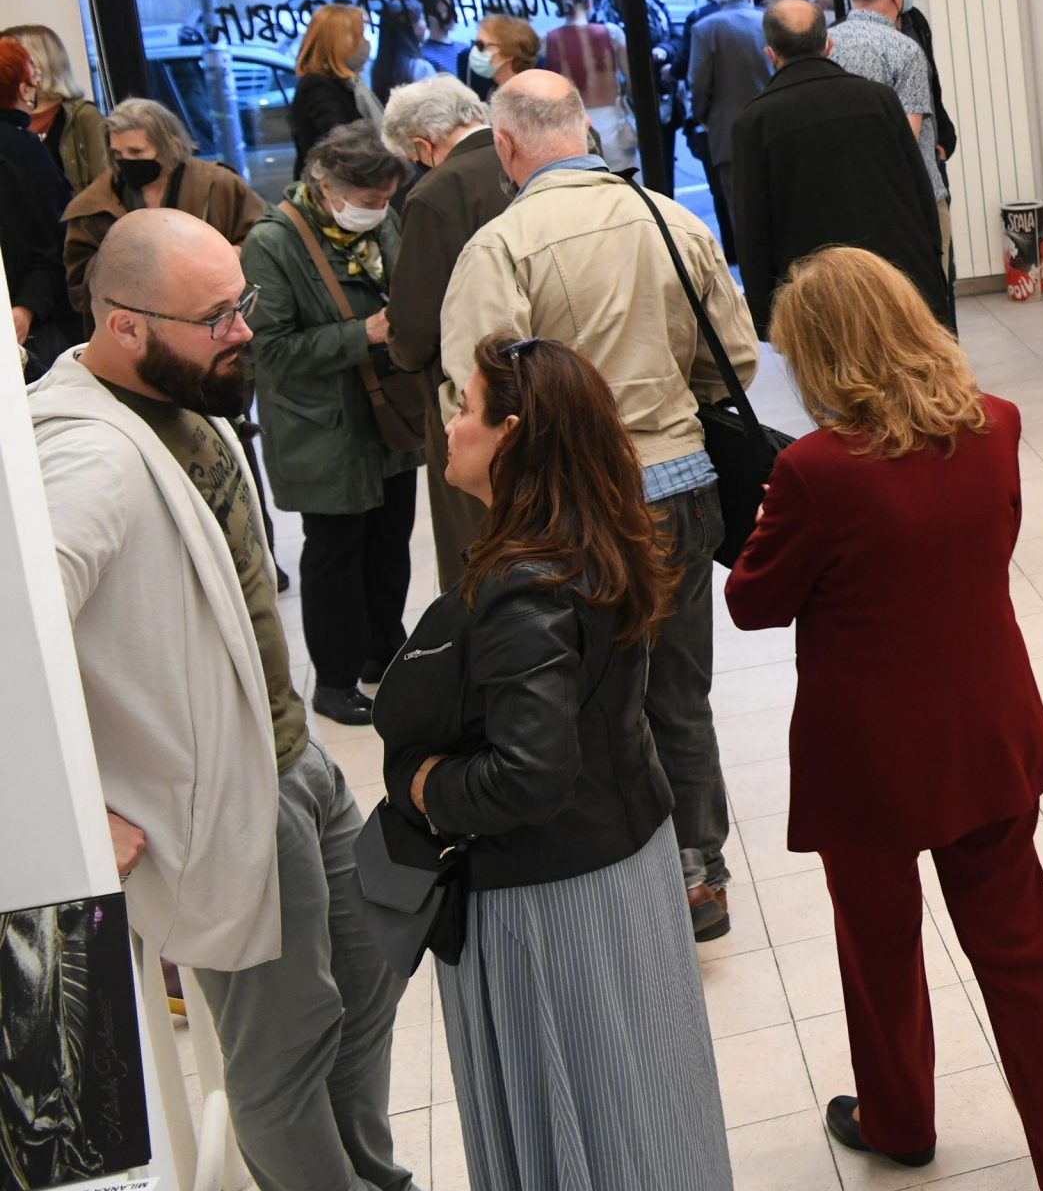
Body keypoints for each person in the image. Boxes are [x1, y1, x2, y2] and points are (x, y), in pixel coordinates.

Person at [33, 210, 481, 1191]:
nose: (245, 329)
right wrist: (74, 804)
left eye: (244, 302)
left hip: (293, 762)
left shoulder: (178, 401)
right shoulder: (81, 458)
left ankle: (381, 1189)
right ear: (127, 325)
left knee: (366, 984)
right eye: (219, 315)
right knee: (280, 1044)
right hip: (225, 793)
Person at [724, 247, 1043, 1191]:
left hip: (868, 756)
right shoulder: (996, 428)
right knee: (1020, 954)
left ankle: (900, 1120)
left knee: (880, 947)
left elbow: (754, 604)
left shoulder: (813, 473)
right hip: (987, 731)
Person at [378, 334, 737, 1191]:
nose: (451, 421)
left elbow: (527, 776)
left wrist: (421, 790)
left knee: (576, 1097)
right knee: (639, 1086)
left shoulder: (521, 587)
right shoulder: (604, 534)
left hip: (549, 894)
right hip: (628, 852)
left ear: (512, 434)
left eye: (468, 405)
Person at [440, 71, 759, 941]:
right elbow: (735, 355)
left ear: (505, 147)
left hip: (575, 512)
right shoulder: (671, 217)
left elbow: (477, 399)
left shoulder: (500, 248)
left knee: (587, 705)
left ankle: (622, 888)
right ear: (585, 129)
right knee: (680, 692)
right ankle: (702, 875)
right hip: (684, 487)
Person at [240, 124, 421, 729]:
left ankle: (383, 652)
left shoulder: (382, 221)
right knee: (335, 558)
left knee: (390, 544)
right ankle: (336, 681)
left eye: (386, 200)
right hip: (322, 428)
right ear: (326, 187)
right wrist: (363, 333)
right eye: (369, 202)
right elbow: (271, 350)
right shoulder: (272, 243)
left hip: (385, 417)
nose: (379, 212)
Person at [731, 0, 948, 331]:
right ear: (829, 45)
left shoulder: (754, 122)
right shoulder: (879, 99)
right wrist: (931, 263)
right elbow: (920, 188)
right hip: (898, 276)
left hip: (818, 297)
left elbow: (753, 227)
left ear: (770, 54)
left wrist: (765, 315)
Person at [381, 76, 509, 589]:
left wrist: (400, 355)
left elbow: (413, 325)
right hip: (562, 372)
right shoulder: (526, 161)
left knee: (480, 542)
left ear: (420, 145)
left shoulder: (436, 192)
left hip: (475, 391)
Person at [64, 97, 263, 327]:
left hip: (216, 323)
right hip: (137, 329)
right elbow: (79, 287)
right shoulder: (94, 205)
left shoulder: (218, 186)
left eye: (136, 152)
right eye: (117, 154)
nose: (126, 161)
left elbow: (263, 239)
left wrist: (237, 252)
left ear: (169, 146)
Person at [824, 0, 951, 279]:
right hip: (910, 197)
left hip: (847, 197)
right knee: (925, 301)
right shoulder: (904, 49)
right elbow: (907, 135)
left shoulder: (826, 45)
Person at [0, 37, 76, 376]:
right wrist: (29, 306)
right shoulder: (21, 150)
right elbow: (54, 237)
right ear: (22, 86)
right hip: (27, 324)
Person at [683, 0, 771, 254]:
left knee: (742, 212)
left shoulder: (705, 29)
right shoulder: (768, 22)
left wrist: (702, 115)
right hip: (772, 123)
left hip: (728, 130)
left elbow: (697, 81)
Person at [859, 0, 959, 168]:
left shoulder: (915, 20)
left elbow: (931, 85)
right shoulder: (849, 33)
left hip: (930, 162)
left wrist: (944, 139)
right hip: (884, 167)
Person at [538, 0, 638, 171]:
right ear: (588, 1)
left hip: (573, 131)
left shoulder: (547, 42)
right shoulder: (611, 34)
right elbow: (633, 82)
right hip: (613, 126)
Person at [4, 22, 109, 195]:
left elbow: (106, 189)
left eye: (11, 59)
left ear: (39, 64)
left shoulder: (84, 117)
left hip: (75, 220)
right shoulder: (6, 121)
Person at [291, 4, 381, 173]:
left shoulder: (350, 83)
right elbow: (341, 141)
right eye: (360, 36)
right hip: (332, 188)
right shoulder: (317, 87)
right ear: (339, 42)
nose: (366, 43)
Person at [368, 0, 435, 105]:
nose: (425, 24)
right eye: (422, 19)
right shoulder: (421, 68)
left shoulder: (376, 67)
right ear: (411, 27)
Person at [459, 13, 538, 101]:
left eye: (480, 45)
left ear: (509, 53)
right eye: (475, 44)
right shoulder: (494, 91)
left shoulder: (532, 97)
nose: (474, 51)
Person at [411, 0, 462, 77]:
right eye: (445, 11)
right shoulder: (426, 58)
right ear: (428, 16)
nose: (453, 15)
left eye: (453, 8)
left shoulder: (463, 47)